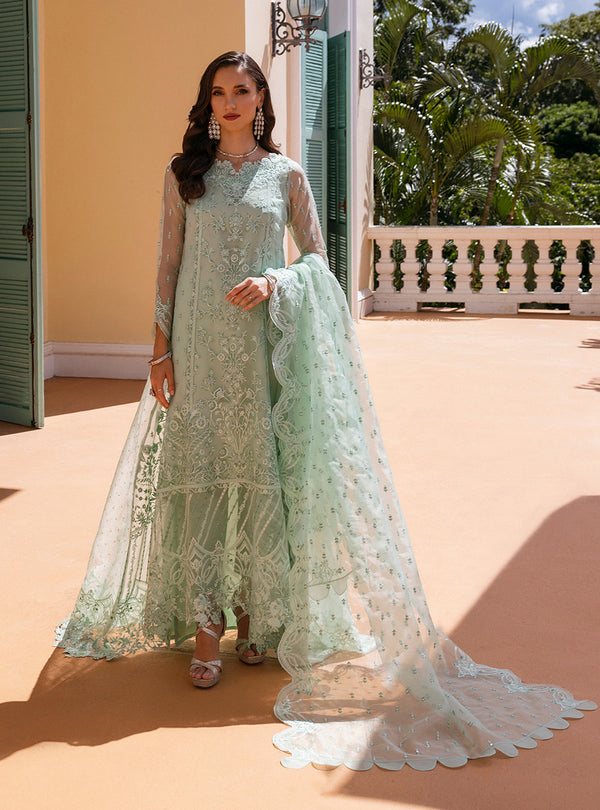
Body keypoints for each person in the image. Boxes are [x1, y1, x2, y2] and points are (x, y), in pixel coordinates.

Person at [56, 51, 596, 770]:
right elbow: (167, 264)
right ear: (207, 103)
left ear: (261, 98)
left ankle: (255, 620)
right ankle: (207, 629)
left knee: (262, 476)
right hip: (200, 347)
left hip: (262, 349)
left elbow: (318, 262)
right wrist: (160, 353)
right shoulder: (184, 174)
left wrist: (274, 283)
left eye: (241, 90)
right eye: (217, 93)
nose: (229, 102)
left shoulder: (286, 175)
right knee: (203, 478)